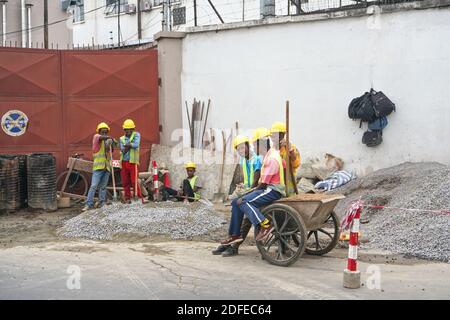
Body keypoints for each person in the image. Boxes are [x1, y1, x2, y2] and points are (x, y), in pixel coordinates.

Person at [220, 127, 286, 247]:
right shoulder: (269, 155)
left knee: (243, 202)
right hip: (268, 188)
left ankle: (265, 225)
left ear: (260, 144)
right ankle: (234, 234)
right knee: (236, 202)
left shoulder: (270, 158)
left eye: (255, 145)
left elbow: (263, 184)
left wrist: (248, 193)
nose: (254, 148)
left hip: (272, 190)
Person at [212, 135, 263, 257]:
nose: (241, 151)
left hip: (255, 191)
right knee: (236, 213)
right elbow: (247, 180)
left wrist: (248, 191)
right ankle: (230, 243)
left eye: (242, 147)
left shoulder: (256, 159)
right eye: (238, 149)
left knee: (245, 218)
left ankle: (234, 246)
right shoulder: (243, 161)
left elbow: (256, 179)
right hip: (249, 190)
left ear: (247, 145)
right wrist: (242, 188)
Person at [83, 122, 115, 211]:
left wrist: (111, 143)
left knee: (103, 187)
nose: (104, 134)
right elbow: (100, 137)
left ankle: (102, 203)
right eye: (103, 132)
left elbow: (112, 150)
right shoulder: (96, 138)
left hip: (106, 167)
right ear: (99, 132)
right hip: (98, 169)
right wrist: (110, 138)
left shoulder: (107, 141)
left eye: (106, 132)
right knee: (93, 186)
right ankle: (88, 204)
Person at [119, 119, 148, 204]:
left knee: (134, 181)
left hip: (133, 162)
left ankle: (138, 196)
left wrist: (127, 145)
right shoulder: (121, 138)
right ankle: (127, 197)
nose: (129, 131)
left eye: (130, 129)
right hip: (124, 162)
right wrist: (129, 145)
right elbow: (122, 149)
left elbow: (136, 145)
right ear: (124, 130)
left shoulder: (136, 135)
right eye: (127, 129)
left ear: (133, 129)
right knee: (125, 181)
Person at [270, 121, 301, 196]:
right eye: (272, 136)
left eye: (274, 136)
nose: (272, 139)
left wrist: (290, 150)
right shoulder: (272, 149)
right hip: (277, 184)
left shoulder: (291, 148)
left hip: (289, 183)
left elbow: (296, 164)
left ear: (281, 135)